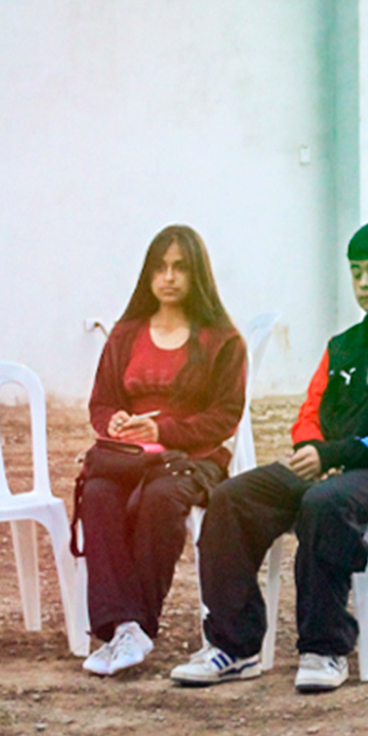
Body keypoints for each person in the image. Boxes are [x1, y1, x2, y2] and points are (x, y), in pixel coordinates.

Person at [173, 220, 368, 692]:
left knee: (325, 502)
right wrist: (312, 449)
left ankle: (324, 649)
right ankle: (234, 646)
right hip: (329, 467)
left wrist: (334, 454)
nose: (364, 283)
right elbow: (309, 412)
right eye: (356, 272)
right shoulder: (341, 346)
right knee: (231, 497)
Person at [78, 226, 246, 676]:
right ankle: (124, 627)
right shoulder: (125, 335)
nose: (168, 277)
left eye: (180, 268)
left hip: (193, 459)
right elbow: (101, 402)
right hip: (130, 456)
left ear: (198, 274)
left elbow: (225, 417)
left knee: (160, 498)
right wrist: (114, 422)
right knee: (97, 494)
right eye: (160, 267)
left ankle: (136, 625)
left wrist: (163, 428)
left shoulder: (222, 340)